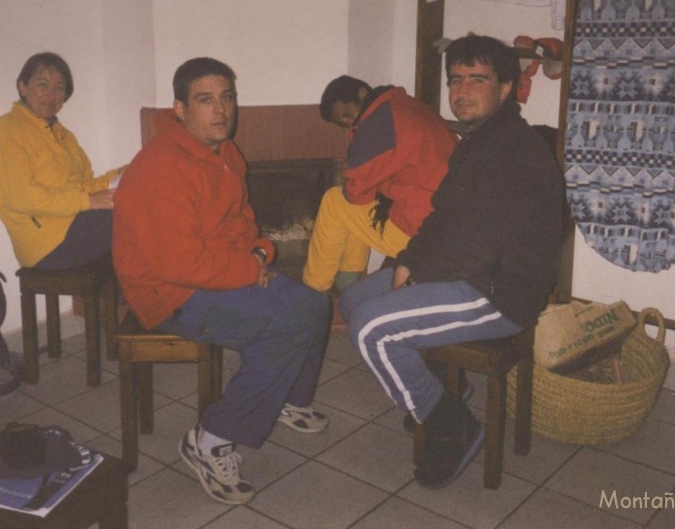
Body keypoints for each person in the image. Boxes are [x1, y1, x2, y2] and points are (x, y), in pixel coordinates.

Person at [340, 35, 565, 490]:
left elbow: (478, 244)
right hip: (471, 272)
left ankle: (449, 424)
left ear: (505, 88)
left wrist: (415, 274)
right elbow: (443, 218)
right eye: (456, 80)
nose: (462, 90)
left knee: (370, 327)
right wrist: (407, 261)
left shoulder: (512, 151)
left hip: (500, 290)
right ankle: (443, 382)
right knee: (355, 299)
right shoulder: (476, 141)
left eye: (477, 80)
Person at [112, 57, 331, 506]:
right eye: (205, 100)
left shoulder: (225, 153)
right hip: (170, 294)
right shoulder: (161, 166)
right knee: (290, 320)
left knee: (314, 303)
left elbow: (241, 221)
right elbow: (179, 265)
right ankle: (209, 440)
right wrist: (252, 268)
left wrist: (260, 250)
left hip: (219, 270)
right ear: (179, 108)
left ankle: (287, 395)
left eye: (227, 98)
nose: (221, 110)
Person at [302, 76, 458, 294]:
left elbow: (356, 192)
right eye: (342, 123)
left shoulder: (379, 122)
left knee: (335, 200)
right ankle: (348, 279)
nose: (349, 123)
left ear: (362, 94)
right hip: (450, 227)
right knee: (358, 201)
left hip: (423, 237)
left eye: (347, 114)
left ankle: (313, 290)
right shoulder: (407, 106)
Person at [0, 52, 126, 270]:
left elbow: (85, 187)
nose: (51, 95)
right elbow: (22, 196)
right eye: (42, 85)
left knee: (141, 201)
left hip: (76, 223)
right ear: (23, 87)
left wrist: (120, 176)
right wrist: (87, 201)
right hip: (46, 245)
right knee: (137, 216)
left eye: (60, 88)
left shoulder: (64, 135)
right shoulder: (6, 130)